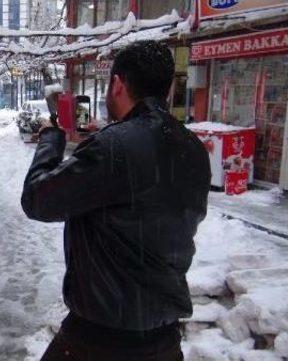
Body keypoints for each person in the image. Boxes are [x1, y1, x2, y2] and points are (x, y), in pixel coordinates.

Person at [21, 41, 211, 361]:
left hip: (99, 342)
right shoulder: (192, 147)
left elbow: (38, 200)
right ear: (167, 88)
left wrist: (51, 138)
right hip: (164, 341)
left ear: (118, 84)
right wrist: (108, 137)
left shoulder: (111, 147)